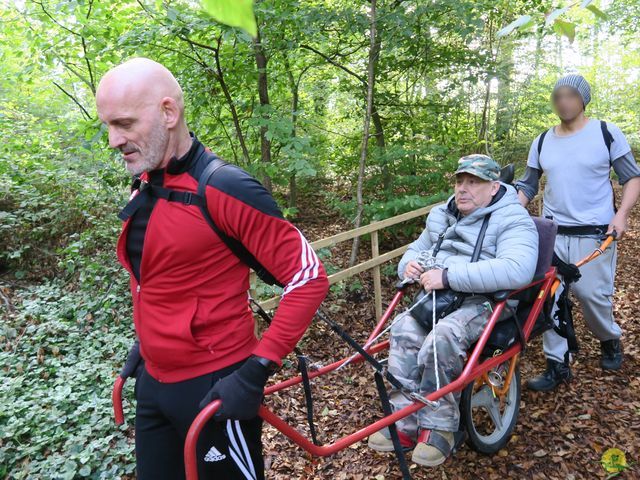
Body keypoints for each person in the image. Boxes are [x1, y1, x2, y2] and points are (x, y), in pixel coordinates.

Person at [95, 57, 329, 479]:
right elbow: (163, 279)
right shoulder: (149, 180)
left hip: (215, 388)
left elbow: (308, 277)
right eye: (108, 126)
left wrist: (257, 370)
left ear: (169, 113)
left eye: (125, 123)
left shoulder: (224, 187)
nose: (114, 140)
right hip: (153, 383)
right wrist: (147, 343)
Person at [367, 155, 538, 467]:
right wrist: (411, 266)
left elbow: (518, 269)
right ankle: (403, 422)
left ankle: (439, 428)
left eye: (474, 182)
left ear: (494, 186)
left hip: (485, 302)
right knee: (403, 328)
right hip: (440, 300)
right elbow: (412, 253)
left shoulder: (512, 218)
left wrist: (448, 276)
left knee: (442, 337)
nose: (463, 189)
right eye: (460, 181)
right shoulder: (443, 215)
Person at [515, 74, 640, 391]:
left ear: (583, 99)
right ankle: (557, 364)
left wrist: (621, 215)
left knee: (590, 295)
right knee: (551, 296)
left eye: (570, 95)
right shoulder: (543, 140)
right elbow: (528, 184)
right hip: (553, 233)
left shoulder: (605, 133)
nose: (563, 101)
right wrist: (513, 213)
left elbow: (632, 178)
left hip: (596, 233)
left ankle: (609, 337)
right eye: (557, 96)